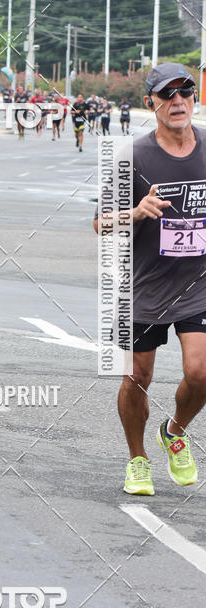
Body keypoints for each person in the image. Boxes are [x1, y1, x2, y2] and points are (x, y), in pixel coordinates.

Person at [94, 63, 206, 495]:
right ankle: (137, 459)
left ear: (194, 98)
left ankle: (174, 431)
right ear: (151, 103)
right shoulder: (134, 157)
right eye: (167, 94)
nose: (178, 101)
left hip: (199, 285)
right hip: (146, 288)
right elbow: (100, 223)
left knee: (200, 373)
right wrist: (135, 212)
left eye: (185, 92)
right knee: (138, 376)